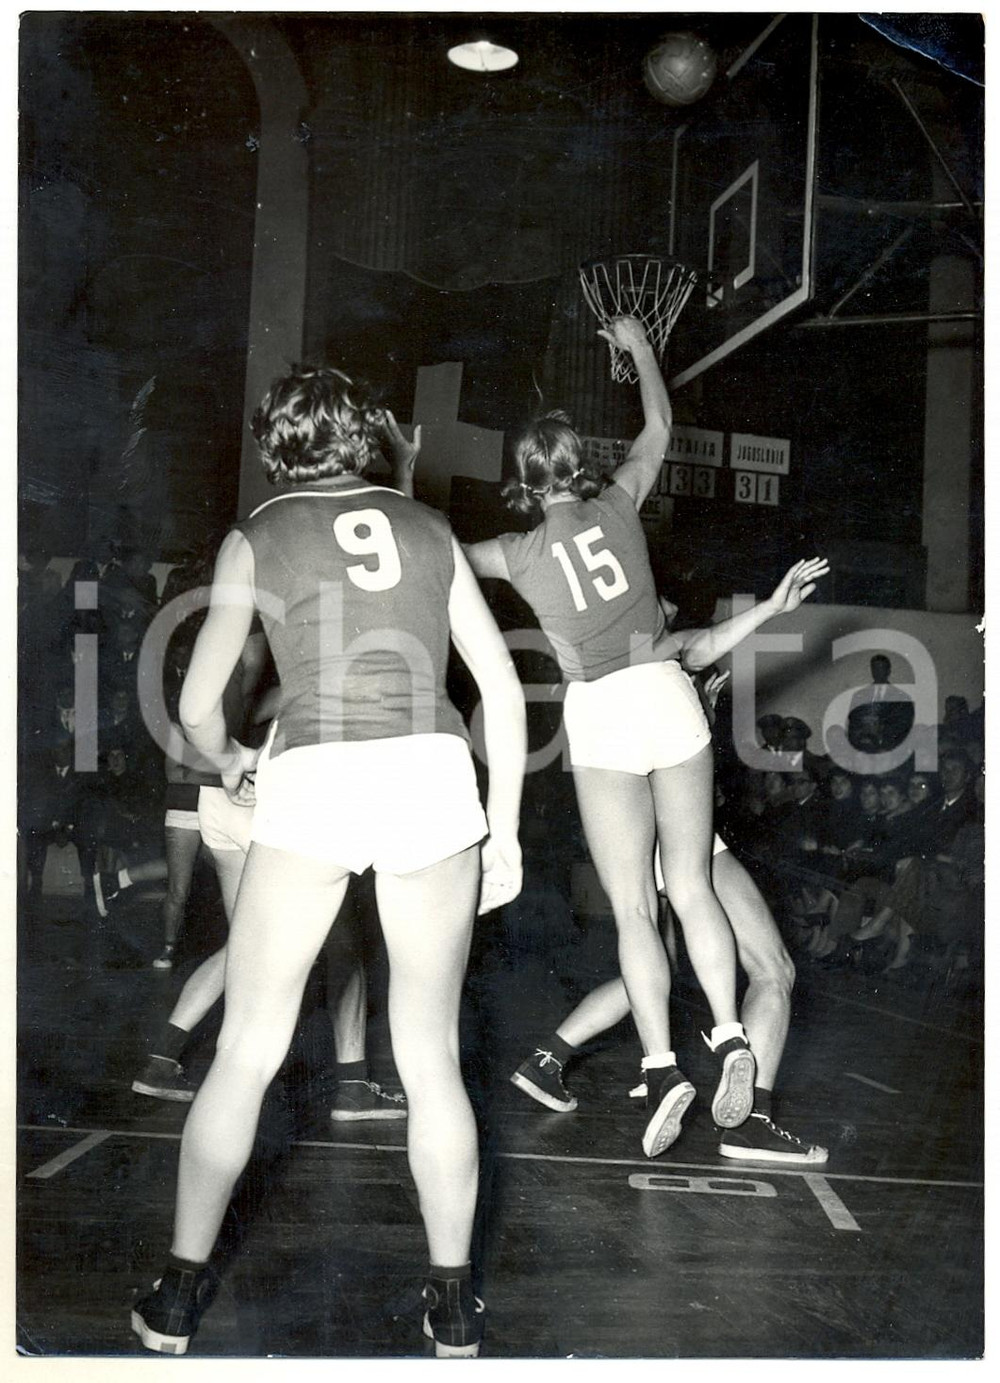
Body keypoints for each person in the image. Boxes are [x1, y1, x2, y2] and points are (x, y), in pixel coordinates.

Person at [130, 368, 526, 1360]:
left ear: (279, 450)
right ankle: (452, 1305)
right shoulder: (430, 529)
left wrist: (232, 761)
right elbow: (505, 694)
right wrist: (506, 828)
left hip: (314, 772)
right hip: (433, 775)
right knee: (431, 1061)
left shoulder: (258, 536)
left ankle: (178, 1293)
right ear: (368, 438)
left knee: (249, 1050)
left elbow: (193, 709)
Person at [465, 313, 827, 1160]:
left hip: (600, 713)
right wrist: (640, 349)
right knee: (692, 884)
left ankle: (663, 1067)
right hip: (668, 693)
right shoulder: (621, 499)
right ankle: (733, 1039)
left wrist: (402, 478)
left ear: (523, 482)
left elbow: (437, 550)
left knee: (634, 907)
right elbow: (661, 425)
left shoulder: (517, 551)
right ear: (581, 466)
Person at [507, 576, 829, 1165]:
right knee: (771, 968)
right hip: (673, 828)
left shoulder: (601, 664)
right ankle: (747, 1115)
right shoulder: (651, 658)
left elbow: (698, 648)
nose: (673, 610)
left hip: (648, 817)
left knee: (667, 962)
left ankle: (551, 1057)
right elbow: (697, 648)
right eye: (666, 604)